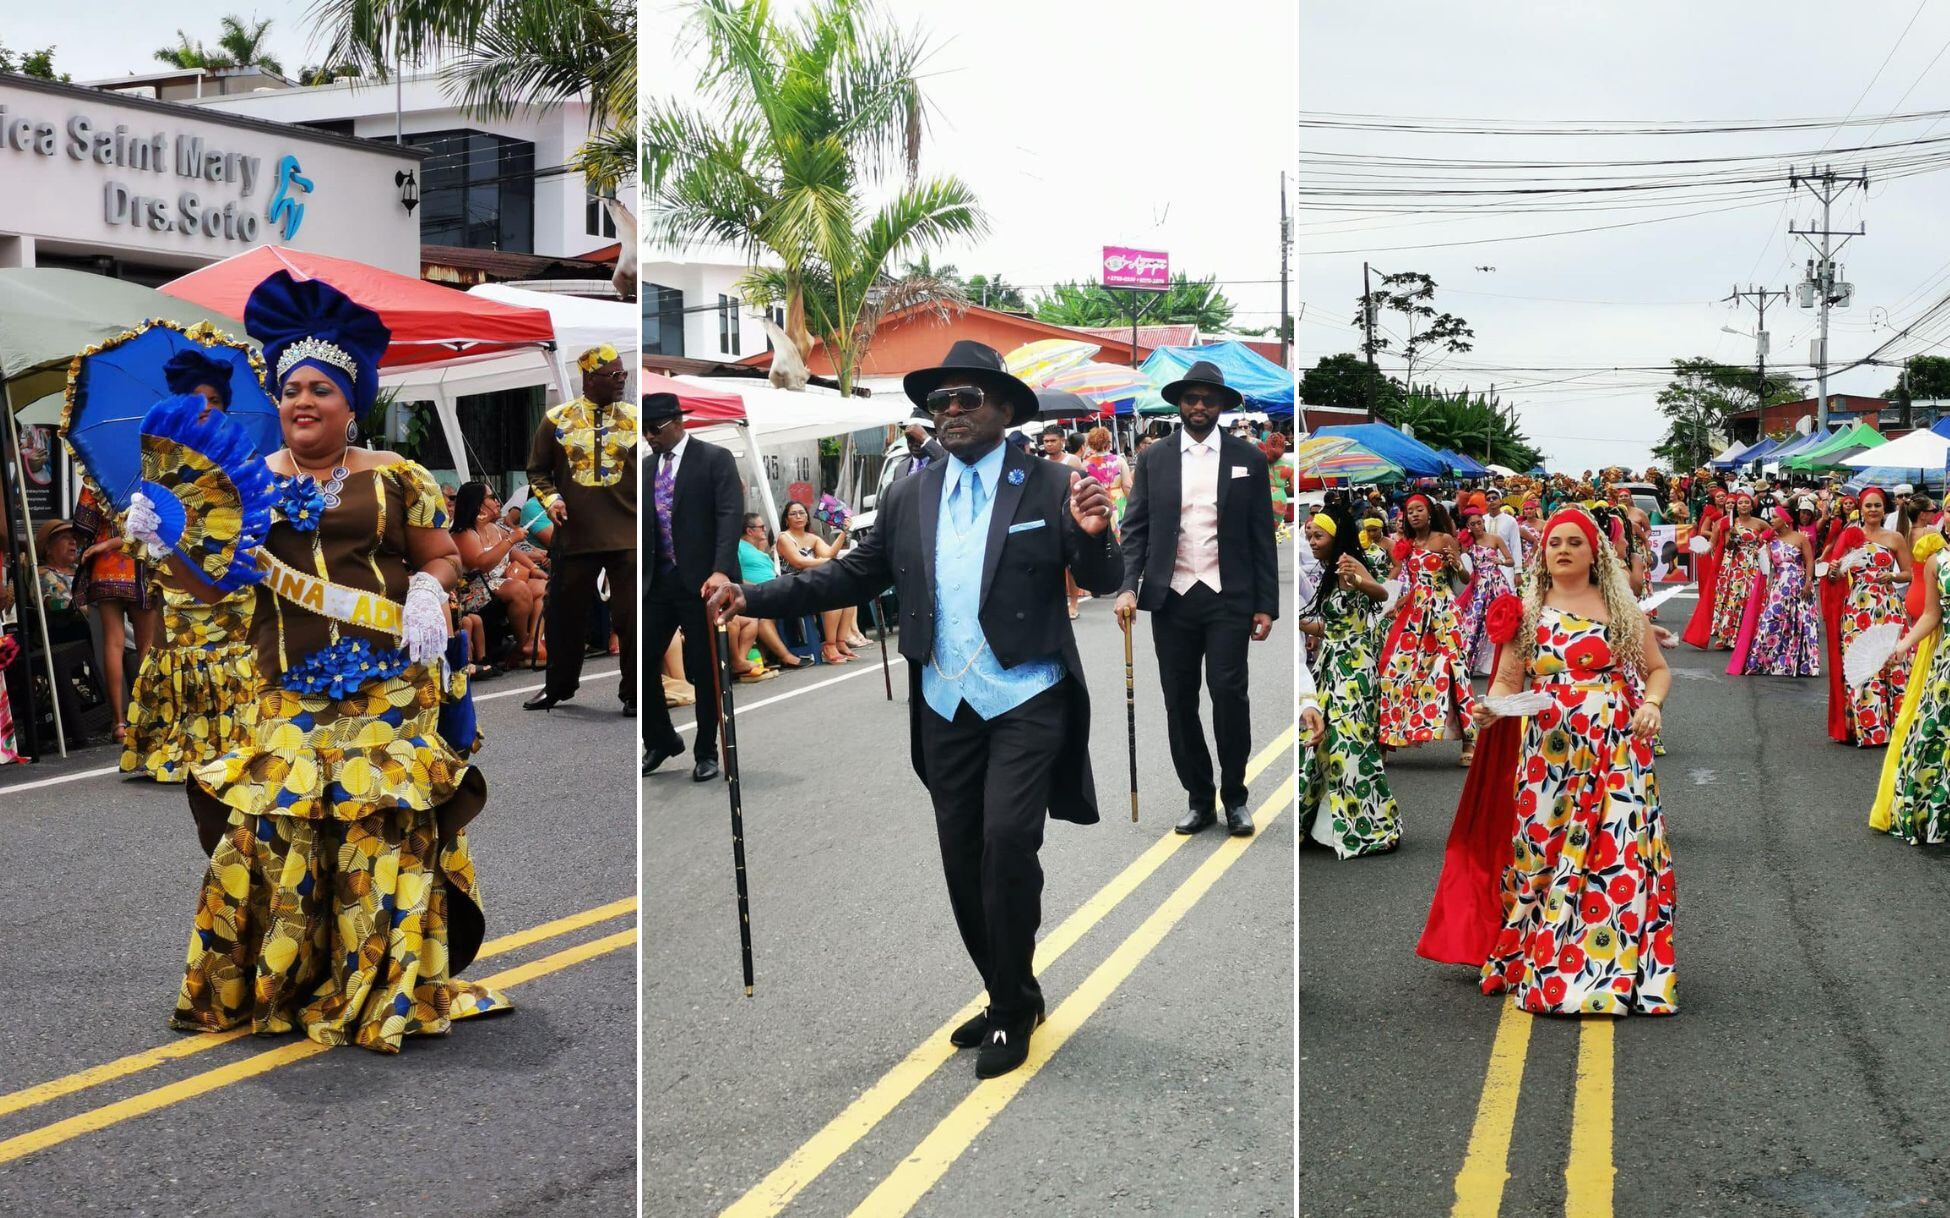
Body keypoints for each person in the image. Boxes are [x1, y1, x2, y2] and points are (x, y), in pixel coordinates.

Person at [707, 339, 1121, 1079]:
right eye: (939, 402)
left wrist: (1097, 537)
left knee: (1005, 842)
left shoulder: (1052, 483)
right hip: (944, 701)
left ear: (1003, 409)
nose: (950, 412)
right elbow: (852, 576)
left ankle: (1007, 1008)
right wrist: (753, 595)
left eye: (966, 399)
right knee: (962, 857)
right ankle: (1011, 989)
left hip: (1026, 693)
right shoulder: (908, 493)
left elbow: (1100, 571)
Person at [128, 270, 507, 1051]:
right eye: (290, 387)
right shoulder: (241, 486)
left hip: (388, 691)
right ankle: (280, 980)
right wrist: (164, 541)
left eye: (321, 390)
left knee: (379, 837)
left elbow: (442, 559)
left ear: (352, 400)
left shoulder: (397, 477)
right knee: (266, 840)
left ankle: (378, 991)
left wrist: (433, 592)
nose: (302, 401)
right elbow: (206, 587)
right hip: (288, 692)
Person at [1471, 508, 1675, 1016]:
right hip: (1548, 754)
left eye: (1575, 542)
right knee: (1543, 852)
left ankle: (1609, 971)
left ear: (1594, 553)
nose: (1562, 548)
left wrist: (1650, 704)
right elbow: (1508, 681)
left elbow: (1657, 670)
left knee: (1618, 852)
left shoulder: (1620, 608)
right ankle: (1538, 950)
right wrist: (1491, 707)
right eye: (1554, 541)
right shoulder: (1527, 609)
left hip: (1615, 747)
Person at [1113, 361, 1279, 835]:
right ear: (1180, 404)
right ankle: (1198, 797)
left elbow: (1260, 535)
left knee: (1229, 695)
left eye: (1209, 399)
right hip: (1173, 597)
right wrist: (1128, 586)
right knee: (1179, 700)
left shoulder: (1247, 457)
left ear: (1222, 406)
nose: (1200, 406)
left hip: (1229, 596)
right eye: (1192, 399)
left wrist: (1266, 603)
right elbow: (1136, 529)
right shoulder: (1155, 458)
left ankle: (1236, 798)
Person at [119, 348, 259, 783]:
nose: (205, 408)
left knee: (233, 665)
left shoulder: (247, 458)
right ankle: (185, 748)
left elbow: (260, 521)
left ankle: (241, 748)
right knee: (187, 665)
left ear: (225, 406)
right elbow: (141, 545)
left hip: (235, 588)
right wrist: (141, 525)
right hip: (180, 587)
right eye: (196, 399)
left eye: (214, 400)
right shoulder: (159, 463)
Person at [523, 344, 637, 715]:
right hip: (574, 535)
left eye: (623, 374)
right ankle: (558, 687)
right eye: (614, 375)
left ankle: (634, 693)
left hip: (627, 535)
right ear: (589, 378)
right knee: (564, 615)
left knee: (630, 616)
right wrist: (551, 499)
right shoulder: (556, 420)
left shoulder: (636, 419)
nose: (622, 381)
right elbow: (537, 471)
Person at [643, 391, 743, 781]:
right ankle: (662, 739)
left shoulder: (714, 459)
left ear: (676, 422)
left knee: (704, 669)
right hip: (657, 582)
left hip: (701, 582)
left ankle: (706, 752)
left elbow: (729, 515)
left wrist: (720, 570)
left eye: (655, 429)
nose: (650, 436)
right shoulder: (647, 467)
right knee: (641, 660)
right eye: (646, 430)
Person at [1297, 506, 1399, 858]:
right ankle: (1324, 822)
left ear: (1335, 538)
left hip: (1355, 668)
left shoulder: (1348, 566)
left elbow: (1383, 596)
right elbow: (1331, 627)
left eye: (1317, 535)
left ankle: (1372, 824)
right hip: (1331, 665)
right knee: (1325, 739)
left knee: (1351, 743)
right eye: (1309, 535)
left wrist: (1361, 581)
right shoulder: (1329, 572)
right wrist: (1301, 625)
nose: (1311, 541)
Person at [1377, 494, 1477, 761]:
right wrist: (1394, 602)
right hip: (1415, 612)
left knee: (1452, 671)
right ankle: (1389, 737)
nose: (1414, 515)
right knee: (1397, 670)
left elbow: (1465, 578)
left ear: (1430, 513)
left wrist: (1456, 564)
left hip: (1443, 612)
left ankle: (1469, 741)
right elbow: (1408, 581)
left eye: (1419, 510)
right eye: (1410, 512)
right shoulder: (1407, 545)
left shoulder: (1444, 540)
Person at [71, 482, 156, 746]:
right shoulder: (147, 476)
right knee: (146, 645)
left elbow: (82, 525)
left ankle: (118, 722)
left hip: (105, 570)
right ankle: (147, 717)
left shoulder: (93, 477)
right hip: (140, 566)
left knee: (112, 643)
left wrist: (102, 543)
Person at [1827, 485, 1912, 747]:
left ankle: (1897, 727)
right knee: (1862, 662)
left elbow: (1909, 573)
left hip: (1887, 605)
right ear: (1860, 509)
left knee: (1892, 660)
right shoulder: (1850, 535)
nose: (1873, 510)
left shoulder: (1895, 537)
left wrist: (1893, 576)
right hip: (1858, 608)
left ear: (1884, 508)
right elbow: (1835, 576)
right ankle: (1868, 728)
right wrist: (1833, 570)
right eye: (1868, 505)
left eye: (1877, 505)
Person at [452, 481, 547, 663]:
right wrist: (511, 539)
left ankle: (532, 641)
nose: (497, 502)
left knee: (542, 586)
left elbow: (512, 553)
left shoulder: (495, 528)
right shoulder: (464, 534)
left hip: (500, 581)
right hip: (475, 588)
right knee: (519, 589)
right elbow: (482, 564)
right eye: (491, 498)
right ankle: (522, 642)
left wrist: (534, 568)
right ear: (478, 504)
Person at [1733, 505, 1820, 678]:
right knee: (1771, 619)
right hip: (1779, 585)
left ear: (1785, 520)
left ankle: (1798, 663)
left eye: (1774, 517)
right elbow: (1766, 565)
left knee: (1800, 623)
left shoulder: (1800, 538)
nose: (1771, 520)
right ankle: (1761, 660)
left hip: (1800, 584)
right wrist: (1761, 545)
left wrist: (1808, 583)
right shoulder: (1771, 542)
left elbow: (1810, 561)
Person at [776, 500, 859, 664]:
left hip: (813, 583)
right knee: (832, 597)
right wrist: (825, 561)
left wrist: (844, 532)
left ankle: (840, 642)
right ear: (786, 520)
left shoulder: (812, 538)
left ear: (807, 518)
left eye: (802, 513)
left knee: (849, 595)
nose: (799, 516)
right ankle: (829, 645)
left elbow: (829, 554)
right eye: (793, 514)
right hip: (794, 586)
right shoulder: (784, 538)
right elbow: (799, 563)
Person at [734, 513, 804, 674]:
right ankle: (785, 656)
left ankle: (766, 657)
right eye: (761, 527)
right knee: (765, 619)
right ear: (750, 531)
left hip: (773, 590)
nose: (765, 530)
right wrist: (757, 588)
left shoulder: (758, 551)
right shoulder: (738, 547)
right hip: (758, 593)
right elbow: (736, 577)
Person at [1456, 510, 1518, 677]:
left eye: (1479, 522)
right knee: (1474, 621)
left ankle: (1505, 661)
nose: (1477, 526)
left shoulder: (1495, 538)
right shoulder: (1467, 543)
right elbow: (1463, 563)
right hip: (1479, 585)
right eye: (1472, 524)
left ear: (1483, 522)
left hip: (1497, 583)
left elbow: (1511, 561)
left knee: (1502, 620)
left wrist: (1502, 561)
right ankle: (1469, 661)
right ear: (1468, 527)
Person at [1706, 490, 1766, 650]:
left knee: (1751, 598)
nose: (1744, 505)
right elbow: (1727, 546)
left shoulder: (1760, 523)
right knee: (1735, 598)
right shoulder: (1730, 522)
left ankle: (1751, 636)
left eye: (1747, 502)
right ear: (1736, 507)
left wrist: (1762, 549)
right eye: (1740, 503)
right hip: (1736, 565)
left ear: (1751, 506)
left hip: (1753, 564)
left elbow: (1773, 537)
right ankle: (1728, 636)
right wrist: (1732, 537)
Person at [889, 417, 946, 483]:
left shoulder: (943, 463)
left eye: (920, 437)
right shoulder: (900, 468)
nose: (916, 443)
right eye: (911, 437)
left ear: (935, 436)